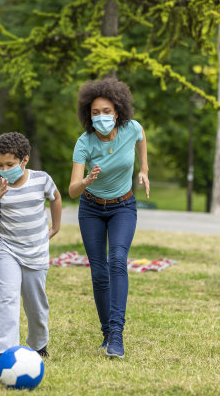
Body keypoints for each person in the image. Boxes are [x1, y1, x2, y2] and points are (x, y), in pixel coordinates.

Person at [68, 77, 150, 359]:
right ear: (88, 116)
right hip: (90, 208)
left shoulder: (131, 128)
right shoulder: (84, 142)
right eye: (95, 112)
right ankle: (106, 334)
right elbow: (72, 189)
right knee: (99, 272)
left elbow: (142, 139)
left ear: (117, 111)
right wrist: (88, 181)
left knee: (117, 259)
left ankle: (117, 334)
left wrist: (144, 169)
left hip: (123, 206)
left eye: (106, 111)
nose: (101, 116)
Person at [0, 132, 62, 359]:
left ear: (24, 160)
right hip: (8, 251)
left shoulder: (41, 179)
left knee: (36, 304)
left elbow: (56, 197)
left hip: (36, 253)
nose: (5, 170)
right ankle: (5, 350)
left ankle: (38, 344)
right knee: (8, 297)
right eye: (0, 165)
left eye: (10, 164)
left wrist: (55, 227)